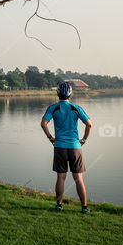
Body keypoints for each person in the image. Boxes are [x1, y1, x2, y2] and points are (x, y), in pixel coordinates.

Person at [41, 81, 92, 213]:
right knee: (78, 178)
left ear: (58, 93)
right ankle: (84, 208)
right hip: (75, 147)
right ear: (71, 94)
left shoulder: (53, 108)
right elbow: (89, 125)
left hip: (59, 147)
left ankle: (59, 205)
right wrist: (84, 139)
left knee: (60, 177)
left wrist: (50, 137)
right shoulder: (76, 108)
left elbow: (43, 123)